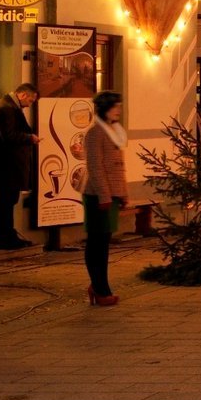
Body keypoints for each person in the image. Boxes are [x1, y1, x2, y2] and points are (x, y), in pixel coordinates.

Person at [82, 91, 127, 308]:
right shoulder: (95, 133)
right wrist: (104, 195)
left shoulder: (113, 131)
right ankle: (100, 289)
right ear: (104, 109)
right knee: (97, 243)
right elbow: (95, 167)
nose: (118, 110)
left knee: (104, 243)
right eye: (115, 107)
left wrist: (123, 193)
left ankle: (100, 286)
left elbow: (119, 167)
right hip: (98, 195)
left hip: (112, 194)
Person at [0, 83, 38, 249]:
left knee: (9, 199)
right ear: (22, 95)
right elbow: (8, 135)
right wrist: (30, 138)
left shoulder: (9, 106)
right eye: (31, 99)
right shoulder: (6, 108)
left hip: (9, 164)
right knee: (6, 200)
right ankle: (3, 236)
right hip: (6, 164)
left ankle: (8, 234)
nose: (31, 103)